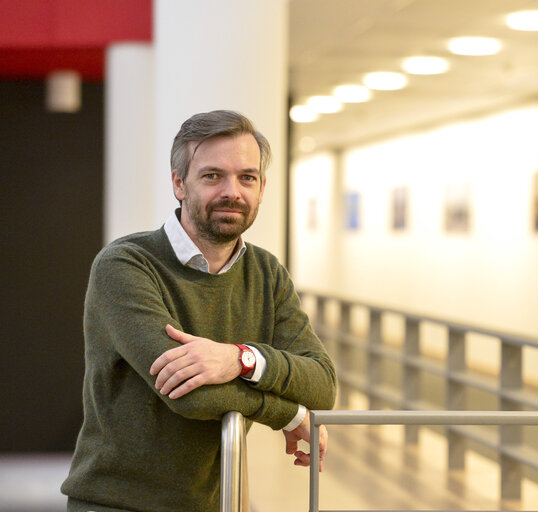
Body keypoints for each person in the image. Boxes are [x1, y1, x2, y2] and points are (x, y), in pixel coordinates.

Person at [61, 110, 337, 512]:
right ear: (179, 184)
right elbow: (188, 396)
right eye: (212, 176)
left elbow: (323, 383)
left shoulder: (266, 272)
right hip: (116, 504)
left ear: (262, 189)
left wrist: (240, 359)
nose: (233, 191)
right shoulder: (125, 264)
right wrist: (288, 413)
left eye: (247, 177)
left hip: (213, 503)